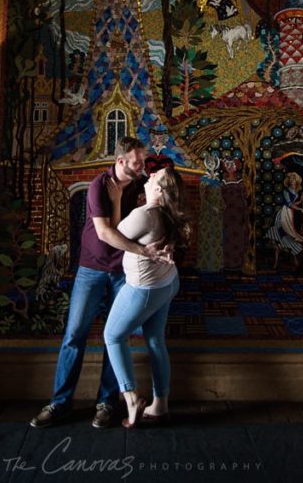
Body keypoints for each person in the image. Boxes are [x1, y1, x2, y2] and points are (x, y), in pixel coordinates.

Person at [31, 136, 169, 429]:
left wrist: (164, 242)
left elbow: (149, 220)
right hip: (91, 269)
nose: (142, 166)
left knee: (115, 335)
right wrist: (144, 250)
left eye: (143, 161)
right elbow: (107, 233)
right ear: (121, 162)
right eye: (137, 162)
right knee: (74, 335)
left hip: (123, 272)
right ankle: (59, 403)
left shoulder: (137, 187)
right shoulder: (98, 185)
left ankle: (108, 401)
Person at [102, 164, 189, 428]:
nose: (150, 175)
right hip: (167, 283)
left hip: (145, 289)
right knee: (155, 341)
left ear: (160, 190)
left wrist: (116, 200)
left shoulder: (145, 214)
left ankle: (130, 398)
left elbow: (112, 235)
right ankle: (159, 406)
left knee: (112, 336)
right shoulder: (167, 213)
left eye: (156, 177)